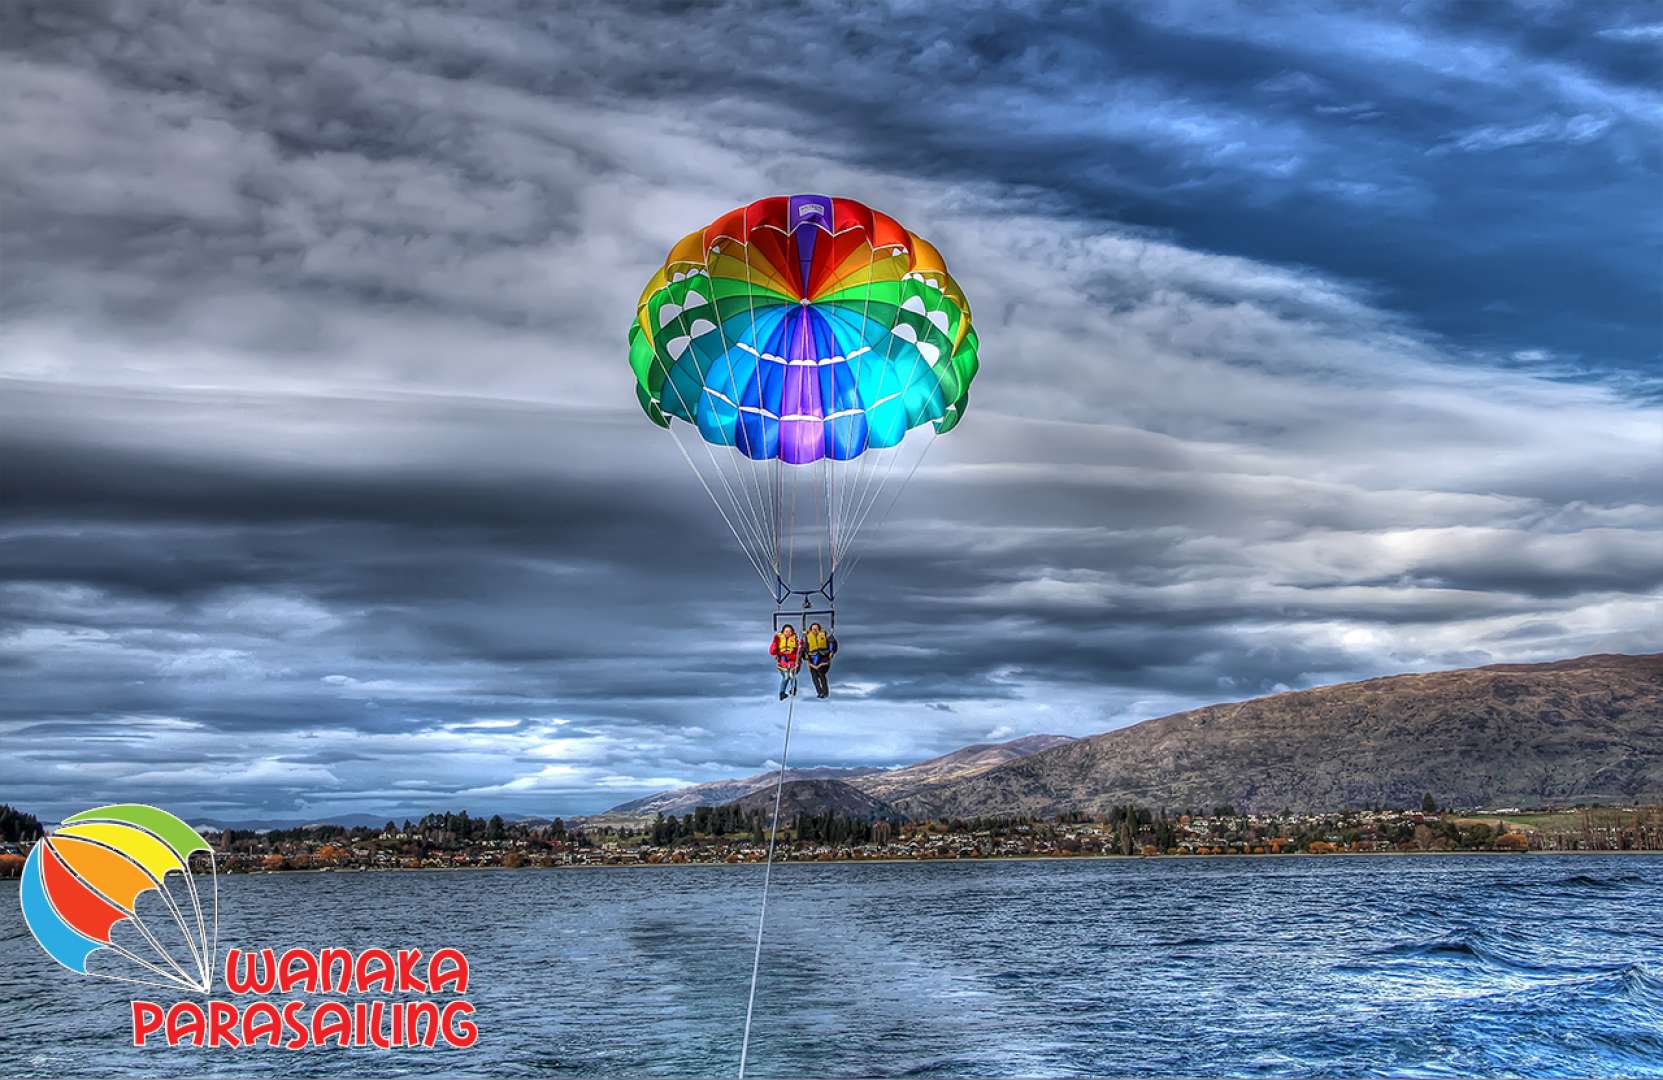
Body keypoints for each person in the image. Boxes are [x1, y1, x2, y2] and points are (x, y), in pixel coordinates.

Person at [803, 622, 838, 698]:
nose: (815, 630)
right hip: (812, 658)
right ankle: (820, 692)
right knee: (814, 676)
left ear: (819, 629)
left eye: (816, 628)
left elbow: (832, 643)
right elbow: (804, 648)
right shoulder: (807, 637)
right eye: (813, 629)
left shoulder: (825, 634)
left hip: (823, 657)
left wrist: (832, 652)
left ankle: (825, 692)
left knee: (821, 673)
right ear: (810, 630)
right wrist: (805, 655)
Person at [770, 624, 801, 699]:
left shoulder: (795, 639)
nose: (788, 633)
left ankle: (793, 689)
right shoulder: (778, 639)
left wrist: (800, 648)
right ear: (783, 632)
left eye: (790, 631)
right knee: (786, 677)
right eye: (786, 631)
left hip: (792, 659)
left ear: (792, 632)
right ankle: (782, 693)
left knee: (791, 675)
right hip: (782, 658)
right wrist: (774, 652)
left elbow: (799, 649)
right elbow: (773, 648)